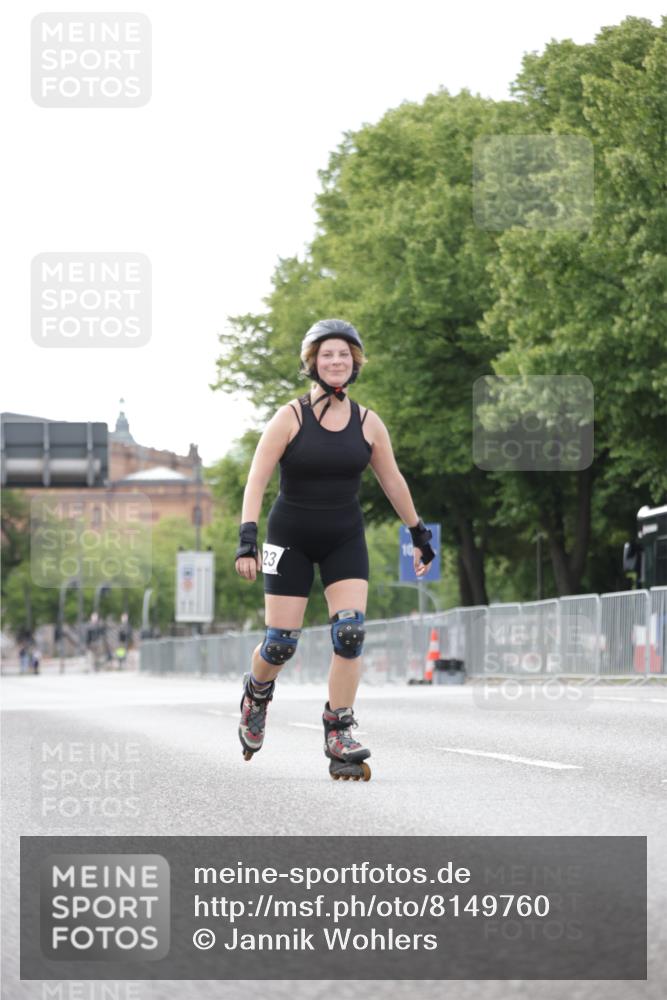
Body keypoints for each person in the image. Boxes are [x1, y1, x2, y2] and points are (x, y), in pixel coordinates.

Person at [234, 319, 435, 781]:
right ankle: (257, 694)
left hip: (345, 535)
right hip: (288, 539)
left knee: (350, 635)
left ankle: (338, 729)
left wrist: (418, 534)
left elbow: (392, 481)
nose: (336, 361)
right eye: (327, 354)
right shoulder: (290, 417)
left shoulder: (368, 423)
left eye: (344, 354)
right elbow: (256, 480)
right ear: (313, 363)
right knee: (280, 644)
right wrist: (247, 539)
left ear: (355, 362)